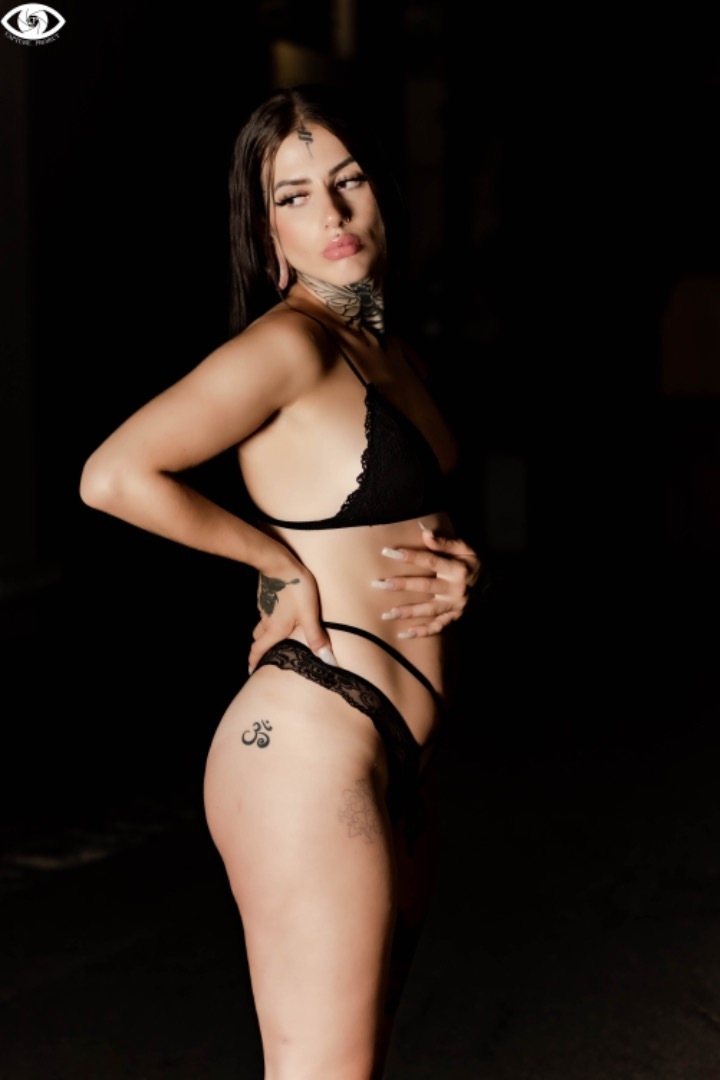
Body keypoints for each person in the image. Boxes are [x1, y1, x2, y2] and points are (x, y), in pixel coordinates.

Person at [80, 81, 481, 1080]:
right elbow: (115, 476)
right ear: (265, 229)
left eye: (349, 180)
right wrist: (275, 561)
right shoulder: (289, 344)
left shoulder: (391, 348)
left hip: (400, 753)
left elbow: (399, 520)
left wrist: (461, 567)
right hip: (306, 743)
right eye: (294, 195)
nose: (332, 212)